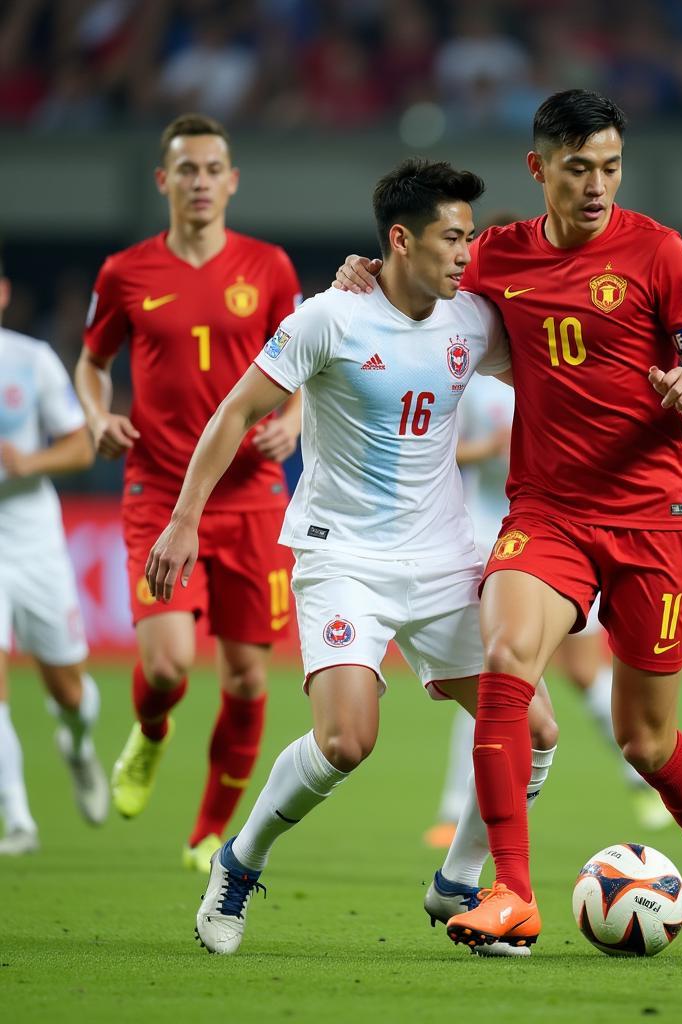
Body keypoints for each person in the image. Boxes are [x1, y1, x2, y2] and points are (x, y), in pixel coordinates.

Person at [337, 90, 682, 956]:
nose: (597, 184)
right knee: (505, 661)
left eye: (609, 166)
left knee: (646, 739)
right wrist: (362, 278)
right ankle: (512, 894)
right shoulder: (497, 255)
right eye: (578, 168)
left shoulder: (661, 253)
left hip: (655, 515)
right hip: (551, 511)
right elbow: (415, 285)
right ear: (539, 170)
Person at [143, 159, 559, 956]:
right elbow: (236, 411)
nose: (465, 254)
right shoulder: (328, 318)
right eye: (450, 238)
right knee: (345, 743)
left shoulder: (471, 320)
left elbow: (551, 360)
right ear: (400, 240)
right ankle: (239, 861)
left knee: (536, 732)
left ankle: (459, 883)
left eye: (471, 238)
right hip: (345, 563)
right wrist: (183, 519)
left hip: (444, 562)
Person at [74, 113, 302, 870]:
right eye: (187, 169)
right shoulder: (124, 272)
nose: (200, 181)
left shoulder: (268, 268)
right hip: (156, 491)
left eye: (213, 169)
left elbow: (307, 364)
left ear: (231, 181)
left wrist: (294, 419)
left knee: (243, 675)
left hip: (253, 498)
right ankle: (152, 729)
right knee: (169, 665)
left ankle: (209, 832)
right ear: (163, 181)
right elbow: (91, 361)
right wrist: (92, 414)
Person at [425, 366, 671, 849]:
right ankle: (455, 808)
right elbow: (432, 452)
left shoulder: (560, 372)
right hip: (489, 532)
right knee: (493, 669)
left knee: (582, 674)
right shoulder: (467, 380)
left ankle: (643, 779)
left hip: (564, 535)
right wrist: (489, 449)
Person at [0, 252, 108, 855]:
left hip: (31, 536)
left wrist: (28, 463)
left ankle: (77, 743)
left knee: (67, 687)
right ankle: (18, 818)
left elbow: (78, 448)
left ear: (4, 293)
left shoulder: (29, 360)